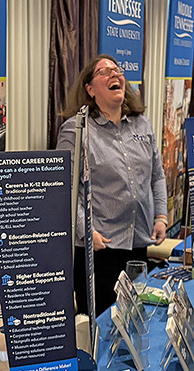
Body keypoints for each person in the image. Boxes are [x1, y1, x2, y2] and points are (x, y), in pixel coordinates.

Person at [57, 55, 167, 316]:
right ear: (90, 89)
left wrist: (161, 215)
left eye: (117, 70)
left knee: (135, 317)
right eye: (104, 72)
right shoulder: (76, 130)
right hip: (100, 246)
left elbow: (157, 176)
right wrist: (85, 231)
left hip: (138, 241)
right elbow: (66, 189)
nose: (114, 74)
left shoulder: (142, 124)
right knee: (103, 324)